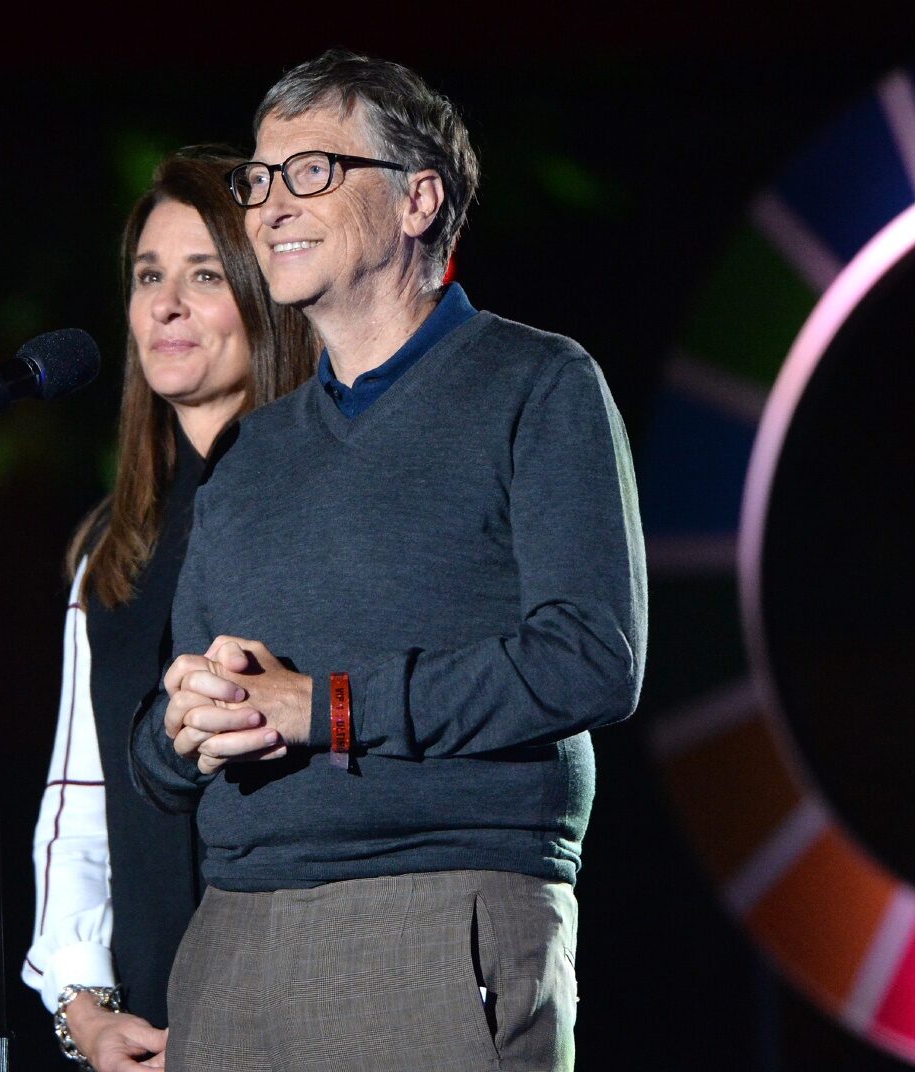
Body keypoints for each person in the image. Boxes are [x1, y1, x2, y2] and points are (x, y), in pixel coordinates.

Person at [130, 51, 647, 1072]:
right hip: (231, 940)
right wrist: (179, 731)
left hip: (434, 914)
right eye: (258, 180)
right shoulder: (251, 452)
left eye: (310, 171)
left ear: (418, 199)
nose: (270, 204)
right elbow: (163, 743)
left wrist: (324, 708)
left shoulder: (536, 385)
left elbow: (592, 655)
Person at [22, 150, 315, 1072]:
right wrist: (86, 1014)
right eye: (150, 276)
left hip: (299, 1002)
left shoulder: (322, 507)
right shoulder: (113, 547)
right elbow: (78, 804)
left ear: (265, 301)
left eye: (204, 276)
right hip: (154, 1024)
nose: (166, 305)